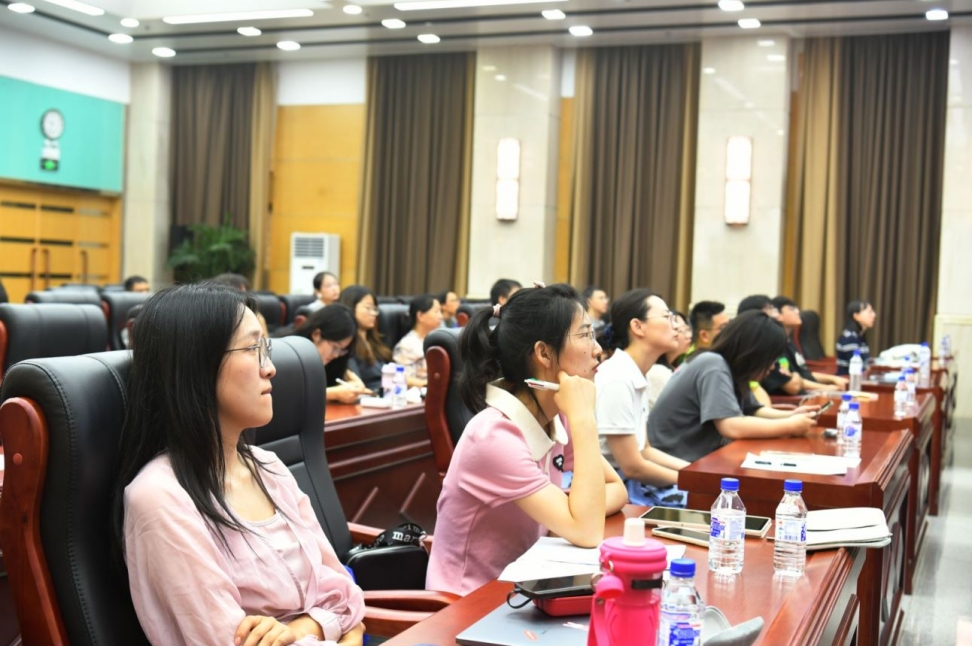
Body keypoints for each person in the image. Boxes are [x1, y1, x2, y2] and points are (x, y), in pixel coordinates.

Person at [110, 283, 366, 646]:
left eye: (266, 349)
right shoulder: (160, 497)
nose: (270, 368)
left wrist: (301, 629)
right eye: (251, 348)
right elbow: (227, 641)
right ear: (197, 365)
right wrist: (338, 628)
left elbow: (346, 598)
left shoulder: (267, 466)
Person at [427, 283, 628, 596]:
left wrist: (571, 510)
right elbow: (588, 531)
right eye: (585, 335)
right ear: (544, 353)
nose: (597, 349)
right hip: (468, 602)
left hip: (525, 587)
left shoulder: (556, 415)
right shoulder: (494, 436)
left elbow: (616, 490)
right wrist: (584, 419)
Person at [648, 311, 818, 463]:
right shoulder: (712, 364)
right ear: (755, 353)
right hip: (671, 467)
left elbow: (753, 410)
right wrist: (790, 425)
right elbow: (731, 426)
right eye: (770, 358)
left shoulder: (732, 369)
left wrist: (792, 415)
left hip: (700, 460)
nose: (772, 366)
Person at [595, 289, 690, 507]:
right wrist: (694, 481)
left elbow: (645, 450)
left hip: (628, 482)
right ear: (638, 326)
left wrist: (694, 471)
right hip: (611, 489)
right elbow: (633, 467)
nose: (676, 326)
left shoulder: (636, 372)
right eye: (667, 317)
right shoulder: (617, 377)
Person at [291, 304, 373, 404]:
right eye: (335, 347)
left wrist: (355, 385)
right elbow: (285, 394)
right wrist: (333, 394)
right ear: (316, 334)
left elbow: (350, 378)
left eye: (342, 350)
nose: (336, 355)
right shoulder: (288, 354)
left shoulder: (335, 361)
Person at [772, 296, 848, 392]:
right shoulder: (776, 346)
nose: (797, 312)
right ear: (778, 315)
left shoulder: (789, 342)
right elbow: (793, 382)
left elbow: (805, 374)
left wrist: (833, 379)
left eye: (796, 308)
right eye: (791, 309)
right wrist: (827, 388)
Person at [339, 285, 392, 392]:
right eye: (368, 308)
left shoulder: (375, 342)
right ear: (351, 307)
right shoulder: (346, 344)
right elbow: (356, 386)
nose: (373, 314)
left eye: (374, 309)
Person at [392, 294, 443, 388]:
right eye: (436, 312)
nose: (441, 316)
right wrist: (433, 386)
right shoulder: (407, 345)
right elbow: (403, 378)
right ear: (420, 316)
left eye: (441, 311)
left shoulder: (438, 340)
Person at [647, 310, 692, 408]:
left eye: (687, 329)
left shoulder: (677, 367)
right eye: (680, 330)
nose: (689, 336)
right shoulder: (657, 372)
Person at [211, 272, 269, 337]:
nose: (244, 297)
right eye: (239, 293)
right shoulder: (212, 317)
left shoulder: (256, 316)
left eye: (246, 292)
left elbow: (264, 340)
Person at [836, 300, 876, 375]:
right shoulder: (849, 338)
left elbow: (866, 364)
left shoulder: (859, 336)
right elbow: (858, 367)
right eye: (869, 312)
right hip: (848, 379)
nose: (874, 315)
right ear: (856, 316)